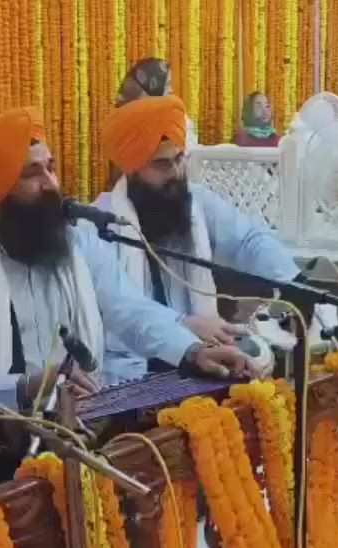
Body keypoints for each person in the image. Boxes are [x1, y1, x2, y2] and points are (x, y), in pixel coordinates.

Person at [0, 106, 257, 408]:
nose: (51, 184)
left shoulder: (77, 244)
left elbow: (131, 311)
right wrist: (25, 388)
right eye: (32, 173)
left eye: (50, 167)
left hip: (85, 426)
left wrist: (192, 351)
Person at [94, 95, 303, 383]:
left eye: (180, 159)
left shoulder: (195, 203)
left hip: (204, 360)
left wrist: (294, 281)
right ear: (130, 169)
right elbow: (121, 307)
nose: (177, 173)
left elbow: (249, 239)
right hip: (128, 373)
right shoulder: (99, 224)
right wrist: (184, 327)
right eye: (162, 164)